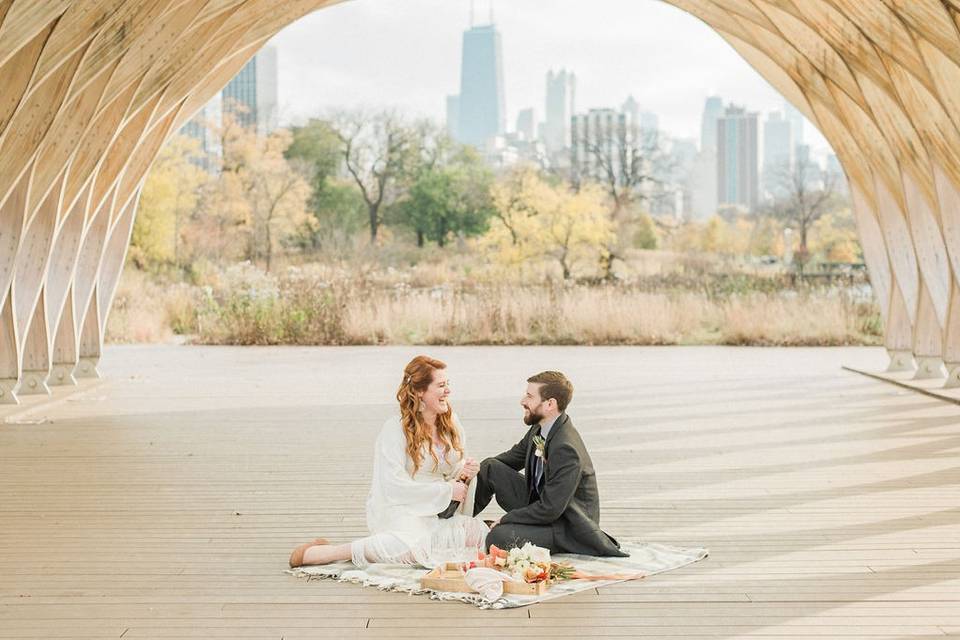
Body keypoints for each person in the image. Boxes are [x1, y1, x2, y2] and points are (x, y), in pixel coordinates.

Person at [289, 355, 489, 569]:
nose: (448, 391)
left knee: (480, 535)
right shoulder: (395, 429)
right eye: (441, 385)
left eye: (448, 384)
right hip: (404, 509)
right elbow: (393, 485)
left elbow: (452, 470)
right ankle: (326, 553)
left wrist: (465, 471)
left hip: (439, 511)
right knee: (412, 549)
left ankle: (434, 540)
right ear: (420, 391)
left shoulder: (452, 423)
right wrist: (446, 491)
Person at [473, 370, 628, 557]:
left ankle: (510, 529)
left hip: (566, 523)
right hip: (543, 502)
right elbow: (508, 459)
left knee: (497, 538)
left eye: (529, 396)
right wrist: (470, 471)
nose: (522, 401)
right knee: (489, 467)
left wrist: (506, 519)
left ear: (550, 404)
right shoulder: (540, 428)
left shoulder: (566, 448)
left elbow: (550, 509)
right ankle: (453, 522)